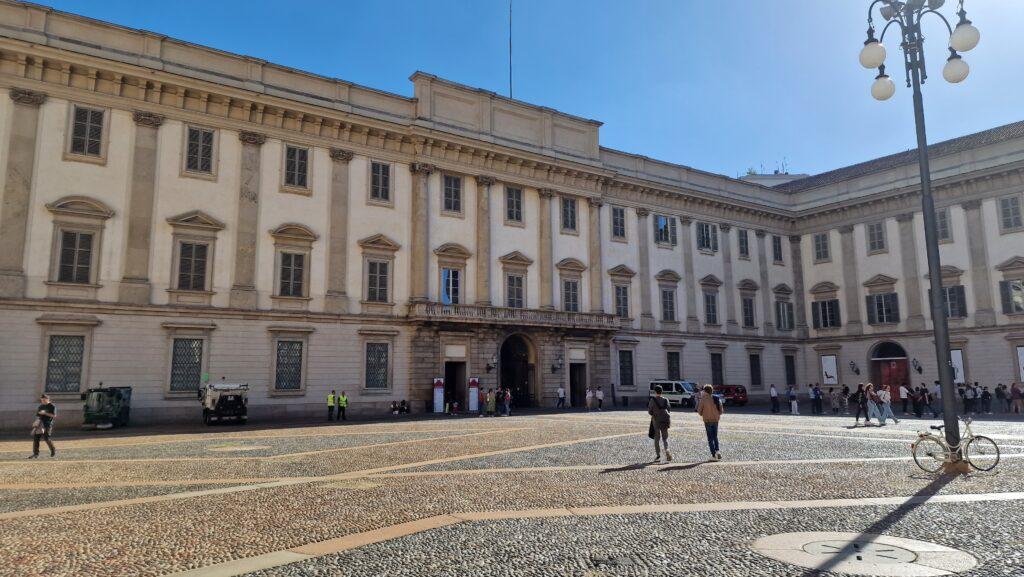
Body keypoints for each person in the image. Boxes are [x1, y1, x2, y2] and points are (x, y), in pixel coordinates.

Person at [696, 384, 723, 461]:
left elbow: (699, 411)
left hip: (707, 420)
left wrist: (703, 413)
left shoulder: (703, 399)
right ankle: (717, 451)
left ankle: (713, 455)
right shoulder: (717, 398)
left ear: (705, 391)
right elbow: (721, 411)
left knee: (710, 438)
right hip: (715, 420)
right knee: (715, 436)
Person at [647, 385, 672, 464]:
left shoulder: (652, 400)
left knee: (657, 438)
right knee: (665, 438)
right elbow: (669, 409)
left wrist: (654, 413)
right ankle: (667, 450)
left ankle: (658, 456)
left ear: (655, 392)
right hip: (664, 420)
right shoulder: (665, 399)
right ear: (662, 391)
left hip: (656, 421)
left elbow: (649, 411)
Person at [29, 395, 56, 459]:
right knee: (36, 438)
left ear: (47, 399)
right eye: (41, 400)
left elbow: (54, 415)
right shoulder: (41, 406)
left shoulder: (52, 406)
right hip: (40, 424)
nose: (42, 401)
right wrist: (36, 424)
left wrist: (45, 413)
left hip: (48, 424)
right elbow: (38, 416)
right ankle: (36, 454)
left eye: (44, 400)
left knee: (46, 438)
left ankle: (53, 450)